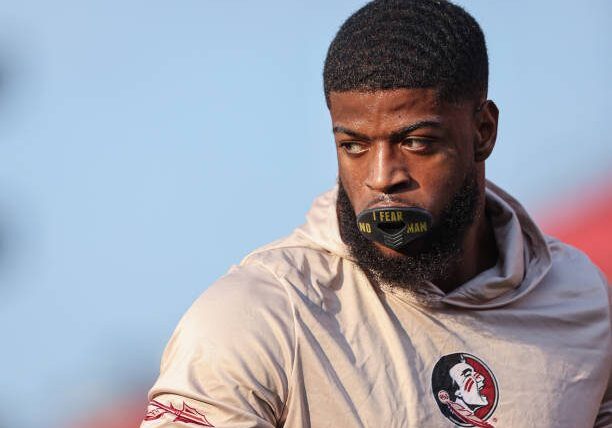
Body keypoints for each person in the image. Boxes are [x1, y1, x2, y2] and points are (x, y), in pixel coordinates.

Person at [141, 1, 611, 427]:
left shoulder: (584, 301)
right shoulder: (258, 316)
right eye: (355, 146)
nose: (382, 177)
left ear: (483, 131)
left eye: (415, 142)